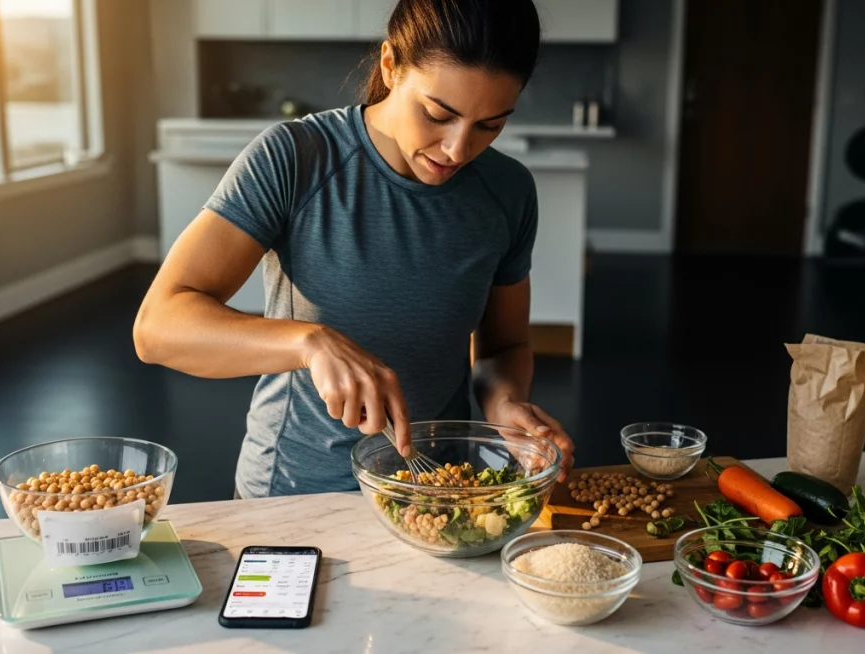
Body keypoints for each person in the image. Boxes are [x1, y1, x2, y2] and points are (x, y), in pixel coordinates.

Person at [133, 0, 575, 498]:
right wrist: (307, 342)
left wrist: (505, 405)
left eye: (489, 125)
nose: (457, 149)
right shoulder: (295, 158)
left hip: (437, 493)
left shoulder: (508, 192)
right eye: (437, 114)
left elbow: (504, 346)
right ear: (390, 65)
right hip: (295, 496)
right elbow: (158, 327)